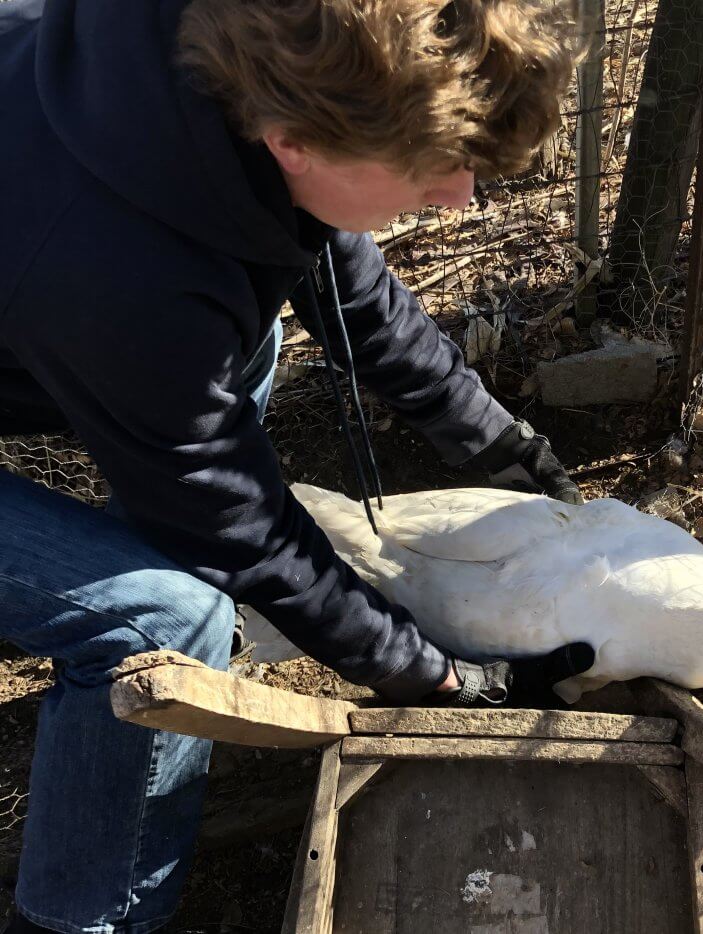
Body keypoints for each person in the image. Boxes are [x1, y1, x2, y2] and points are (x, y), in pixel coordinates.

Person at [0, 1, 594, 930]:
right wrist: (428, 675)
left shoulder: (241, 70)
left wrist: (503, 448)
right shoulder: (122, 274)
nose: (459, 198)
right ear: (293, 144)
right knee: (162, 619)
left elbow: (332, 268)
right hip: (65, 267)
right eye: (431, 172)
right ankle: (84, 917)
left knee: (241, 350)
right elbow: (241, 525)